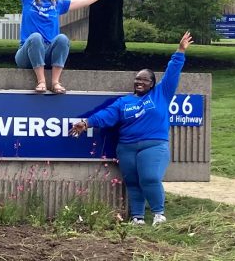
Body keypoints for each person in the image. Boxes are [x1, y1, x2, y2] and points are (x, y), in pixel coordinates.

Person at [70, 31, 194, 226]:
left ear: (152, 84)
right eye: (137, 79)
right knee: (133, 183)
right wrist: (86, 123)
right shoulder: (124, 102)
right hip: (126, 147)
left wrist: (180, 51)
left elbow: (172, 73)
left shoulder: (161, 94)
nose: (140, 82)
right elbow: (106, 115)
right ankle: (137, 217)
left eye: (144, 80)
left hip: (153, 146)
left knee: (150, 178)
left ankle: (159, 215)